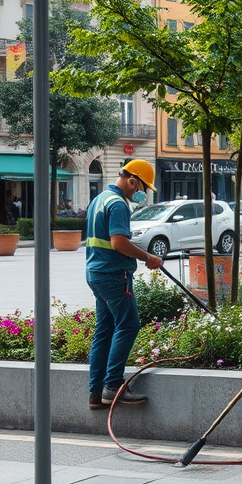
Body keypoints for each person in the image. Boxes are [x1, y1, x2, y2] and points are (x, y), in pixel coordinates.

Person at [85, 159, 162, 411]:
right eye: (143, 188)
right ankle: (113, 387)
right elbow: (119, 242)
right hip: (113, 275)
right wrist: (147, 257)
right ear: (132, 180)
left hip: (96, 273)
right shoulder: (118, 204)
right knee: (129, 325)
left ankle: (95, 394)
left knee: (104, 331)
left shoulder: (100, 199)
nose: (142, 193)